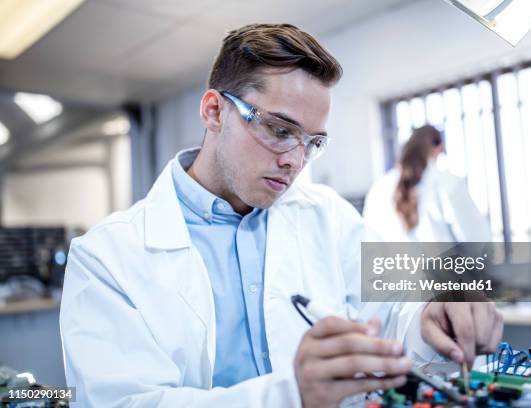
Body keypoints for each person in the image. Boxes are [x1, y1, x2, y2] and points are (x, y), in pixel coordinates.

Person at [60, 24, 502, 408]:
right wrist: (293, 397)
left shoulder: (327, 216)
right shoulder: (106, 257)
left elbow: (395, 314)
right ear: (215, 111)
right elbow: (124, 401)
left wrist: (433, 319)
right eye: (279, 130)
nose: (295, 159)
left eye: (313, 142)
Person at [363, 125, 491, 242]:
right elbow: (477, 241)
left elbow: (368, 241)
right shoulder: (447, 183)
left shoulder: (378, 188)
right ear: (438, 148)